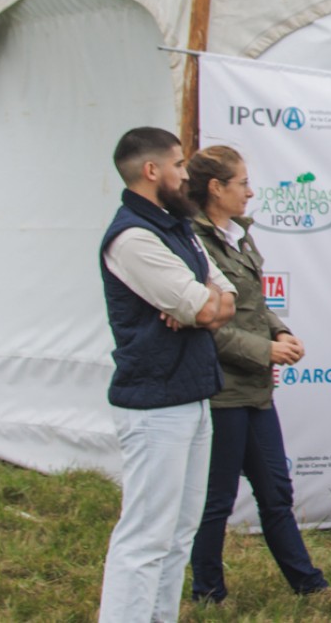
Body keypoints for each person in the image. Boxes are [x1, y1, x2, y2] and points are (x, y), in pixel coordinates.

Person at [97, 127, 236, 623]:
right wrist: (199, 302)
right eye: (179, 165)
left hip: (191, 393)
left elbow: (224, 298)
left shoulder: (176, 228)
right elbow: (203, 308)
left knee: (179, 532)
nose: (186, 175)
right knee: (146, 536)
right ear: (151, 171)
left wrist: (199, 301)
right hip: (156, 404)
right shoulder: (133, 236)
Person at [183, 145, 330, 604]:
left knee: (276, 490)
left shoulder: (240, 235)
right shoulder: (191, 242)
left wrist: (281, 332)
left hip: (256, 390)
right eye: (242, 183)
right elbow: (209, 325)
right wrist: (266, 350)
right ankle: (208, 593)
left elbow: (254, 305)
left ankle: (309, 584)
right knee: (217, 500)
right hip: (221, 391)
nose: (250, 192)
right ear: (215, 188)